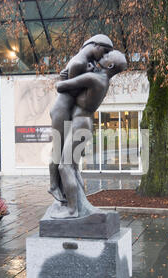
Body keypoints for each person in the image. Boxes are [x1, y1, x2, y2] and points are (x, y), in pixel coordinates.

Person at [52, 50, 127, 218]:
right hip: (83, 124)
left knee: (65, 167)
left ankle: (72, 210)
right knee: (72, 167)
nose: (105, 54)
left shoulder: (93, 78)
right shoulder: (101, 78)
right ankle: (79, 203)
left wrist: (66, 76)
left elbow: (61, 87)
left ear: (110, 65)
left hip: (80, 125)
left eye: (108, 55)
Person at [48, 34, 114, 203]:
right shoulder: (79, 63)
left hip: (68, 110)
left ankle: (71, 193)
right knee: (58, 149)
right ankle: (54, 186)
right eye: (104, 52)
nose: (104, 56)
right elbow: (71, 92)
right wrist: (83, 79)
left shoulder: (87, 64)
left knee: (67, 156)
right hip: (62, 110)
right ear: (95, 45)